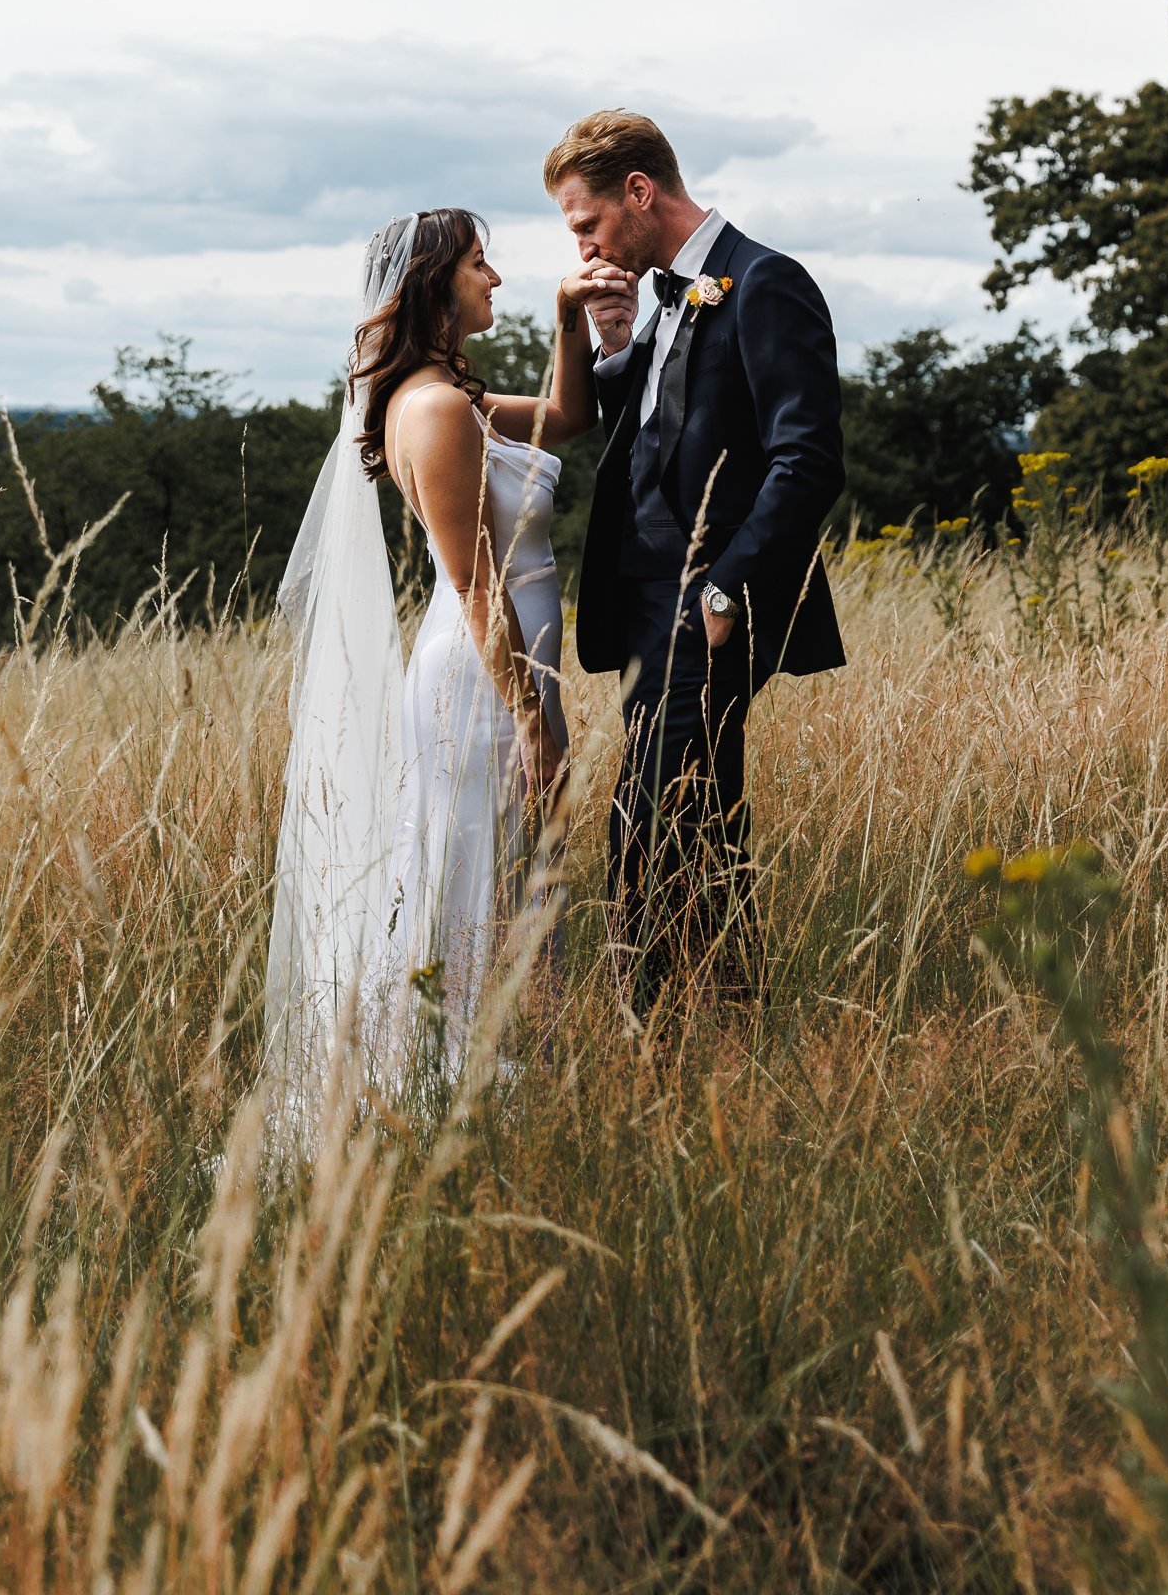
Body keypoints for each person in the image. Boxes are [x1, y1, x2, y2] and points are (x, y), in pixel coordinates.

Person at [264, 206, 632, 1134]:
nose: (493, 279)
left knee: (493, 877)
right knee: (465, 876)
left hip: (501, 676)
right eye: (480, 264)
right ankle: (437, 1085)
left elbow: (569, 416)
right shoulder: (430, 408)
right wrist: (535, 724)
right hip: (477, 684)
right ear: (434, 283)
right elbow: (476, 584)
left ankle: (462, 1076)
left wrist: (566, 319)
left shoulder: (450, 393)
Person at [546, 110, 845, 1007]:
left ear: (640, 192)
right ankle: (720, 1025)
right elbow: (656, 429)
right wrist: (612, 345)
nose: (586, 248)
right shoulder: (668, 295)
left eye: (588, 224)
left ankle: (659, 1029)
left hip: (710, 608)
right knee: (693, 817)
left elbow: (807, 461)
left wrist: (725, 592)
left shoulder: (762, 282)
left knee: (651, 821)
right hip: (645, 610)